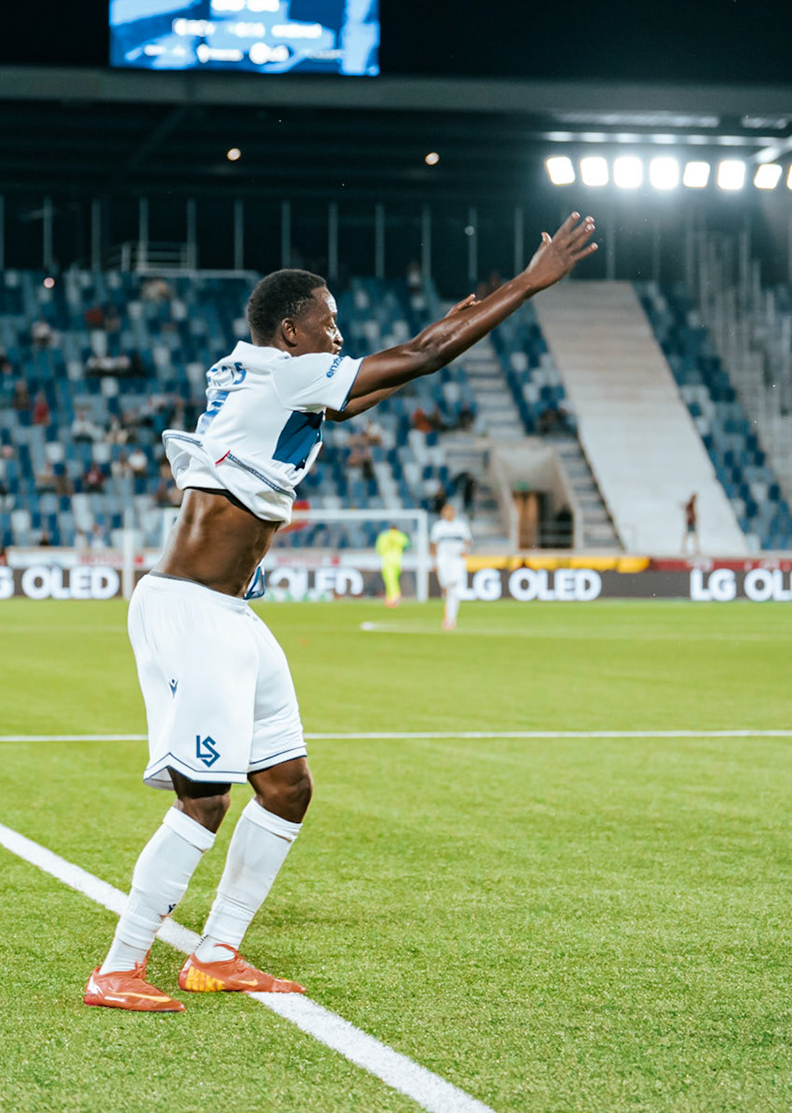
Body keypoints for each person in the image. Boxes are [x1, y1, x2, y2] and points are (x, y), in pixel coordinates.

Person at [85, 213, 597, 1013]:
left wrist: (463, 317)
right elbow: (420, 358)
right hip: (189, 610)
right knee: (205, 796)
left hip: (230, 614)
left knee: (286, 786)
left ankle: (216, 953)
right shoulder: (285, 375)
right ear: (291, 332)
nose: (339, 336)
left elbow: (395, 372)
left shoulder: (271, 372)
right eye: (328, 325)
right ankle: (117, 967)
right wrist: (527, 285)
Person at [429, 501, 472, 631]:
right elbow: (434, 545)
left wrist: (466, 551)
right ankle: (449, 615)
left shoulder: (461, 526)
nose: (449, 513)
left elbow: (467, 541)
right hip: (443, 560)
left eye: (451, 511)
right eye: (446, 511)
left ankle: (450, 619)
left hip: (456, 560)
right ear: (443, 513)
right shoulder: (438, 527)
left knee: (453, 589)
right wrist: (434, 561)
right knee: (447, 589)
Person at [373, 522, 410, 608]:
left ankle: (395, 596)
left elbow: (379, 549)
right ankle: (390, 598)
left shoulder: (384, 536)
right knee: (393, 580)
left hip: (387, 561)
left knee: (389, 580)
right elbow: (407, 544)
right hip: (397, 561)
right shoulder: (400, 535)